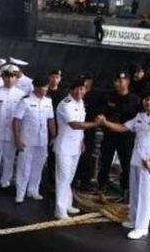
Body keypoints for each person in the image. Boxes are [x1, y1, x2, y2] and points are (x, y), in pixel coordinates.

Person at [101, 89, 150, 240]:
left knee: (146, 195)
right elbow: (123, 127)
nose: (149, 102)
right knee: (134, 191)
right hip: (136, 159)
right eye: (147, 99)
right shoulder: (140, 116)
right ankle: (133, 219)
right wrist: (105, 122)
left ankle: (142, 227)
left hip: (149, 163)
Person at [54, 79, 101, 218]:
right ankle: (60, 210)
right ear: (71, 90)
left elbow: (79, 130)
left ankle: (67, 204)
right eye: (77, 89)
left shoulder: (80, 103)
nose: (80, 91)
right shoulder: (65, 104)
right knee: (62, 178)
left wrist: (82, 141)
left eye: (83, 89)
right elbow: (75, 125)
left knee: (69, 177)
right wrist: (95, 124)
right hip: (64, 147)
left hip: (75, 147)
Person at [97, 71, 141, 197]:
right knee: (105, 161)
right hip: (110, 133)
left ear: (127, 82)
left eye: (121, 81)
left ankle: (125, 187)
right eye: (116, 81)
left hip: (126, 136)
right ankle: (102, 185)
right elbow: (102, 112)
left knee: (126, 162)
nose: (118, 84)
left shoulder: (135, 99)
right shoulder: (108, 97)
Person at [13, 77, 55, 203]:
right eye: (44, 87)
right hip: (27, 140)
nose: (46, 89)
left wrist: (54, 135)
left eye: (47, 87)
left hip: (42, 140)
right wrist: (17, 139)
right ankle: (20, 192)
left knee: (38, 166)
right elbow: (16, 121)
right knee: (24, 166)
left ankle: (33, 190)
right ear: (36, 87)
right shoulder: (25, 101)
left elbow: (51, 119)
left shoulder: (48, 101)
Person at [0, 64, 25, 193]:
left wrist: (20, 135)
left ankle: (5, 182)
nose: (9, 80)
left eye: (12, 77)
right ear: (2, 78)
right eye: (7, 77)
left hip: (12, 133)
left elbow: (22, 117)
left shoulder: (21, 94)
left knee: (9, 158)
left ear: (16, 78)